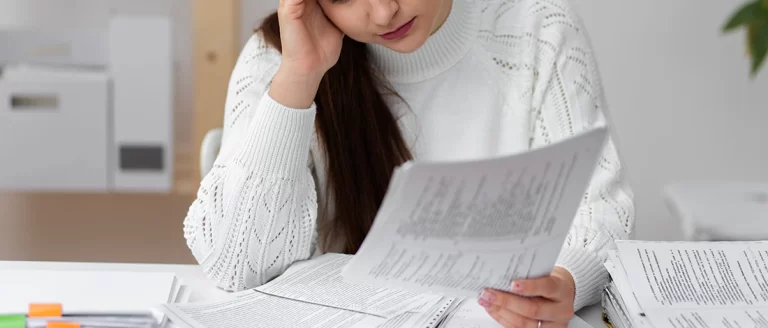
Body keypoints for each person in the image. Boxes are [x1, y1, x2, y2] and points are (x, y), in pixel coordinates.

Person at [183, 0, 635, 325]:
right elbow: (238, 265)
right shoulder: (278, 57)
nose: (382, 13)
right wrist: (300, 78)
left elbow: (599, 209)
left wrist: (566, 279)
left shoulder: (538, 28)